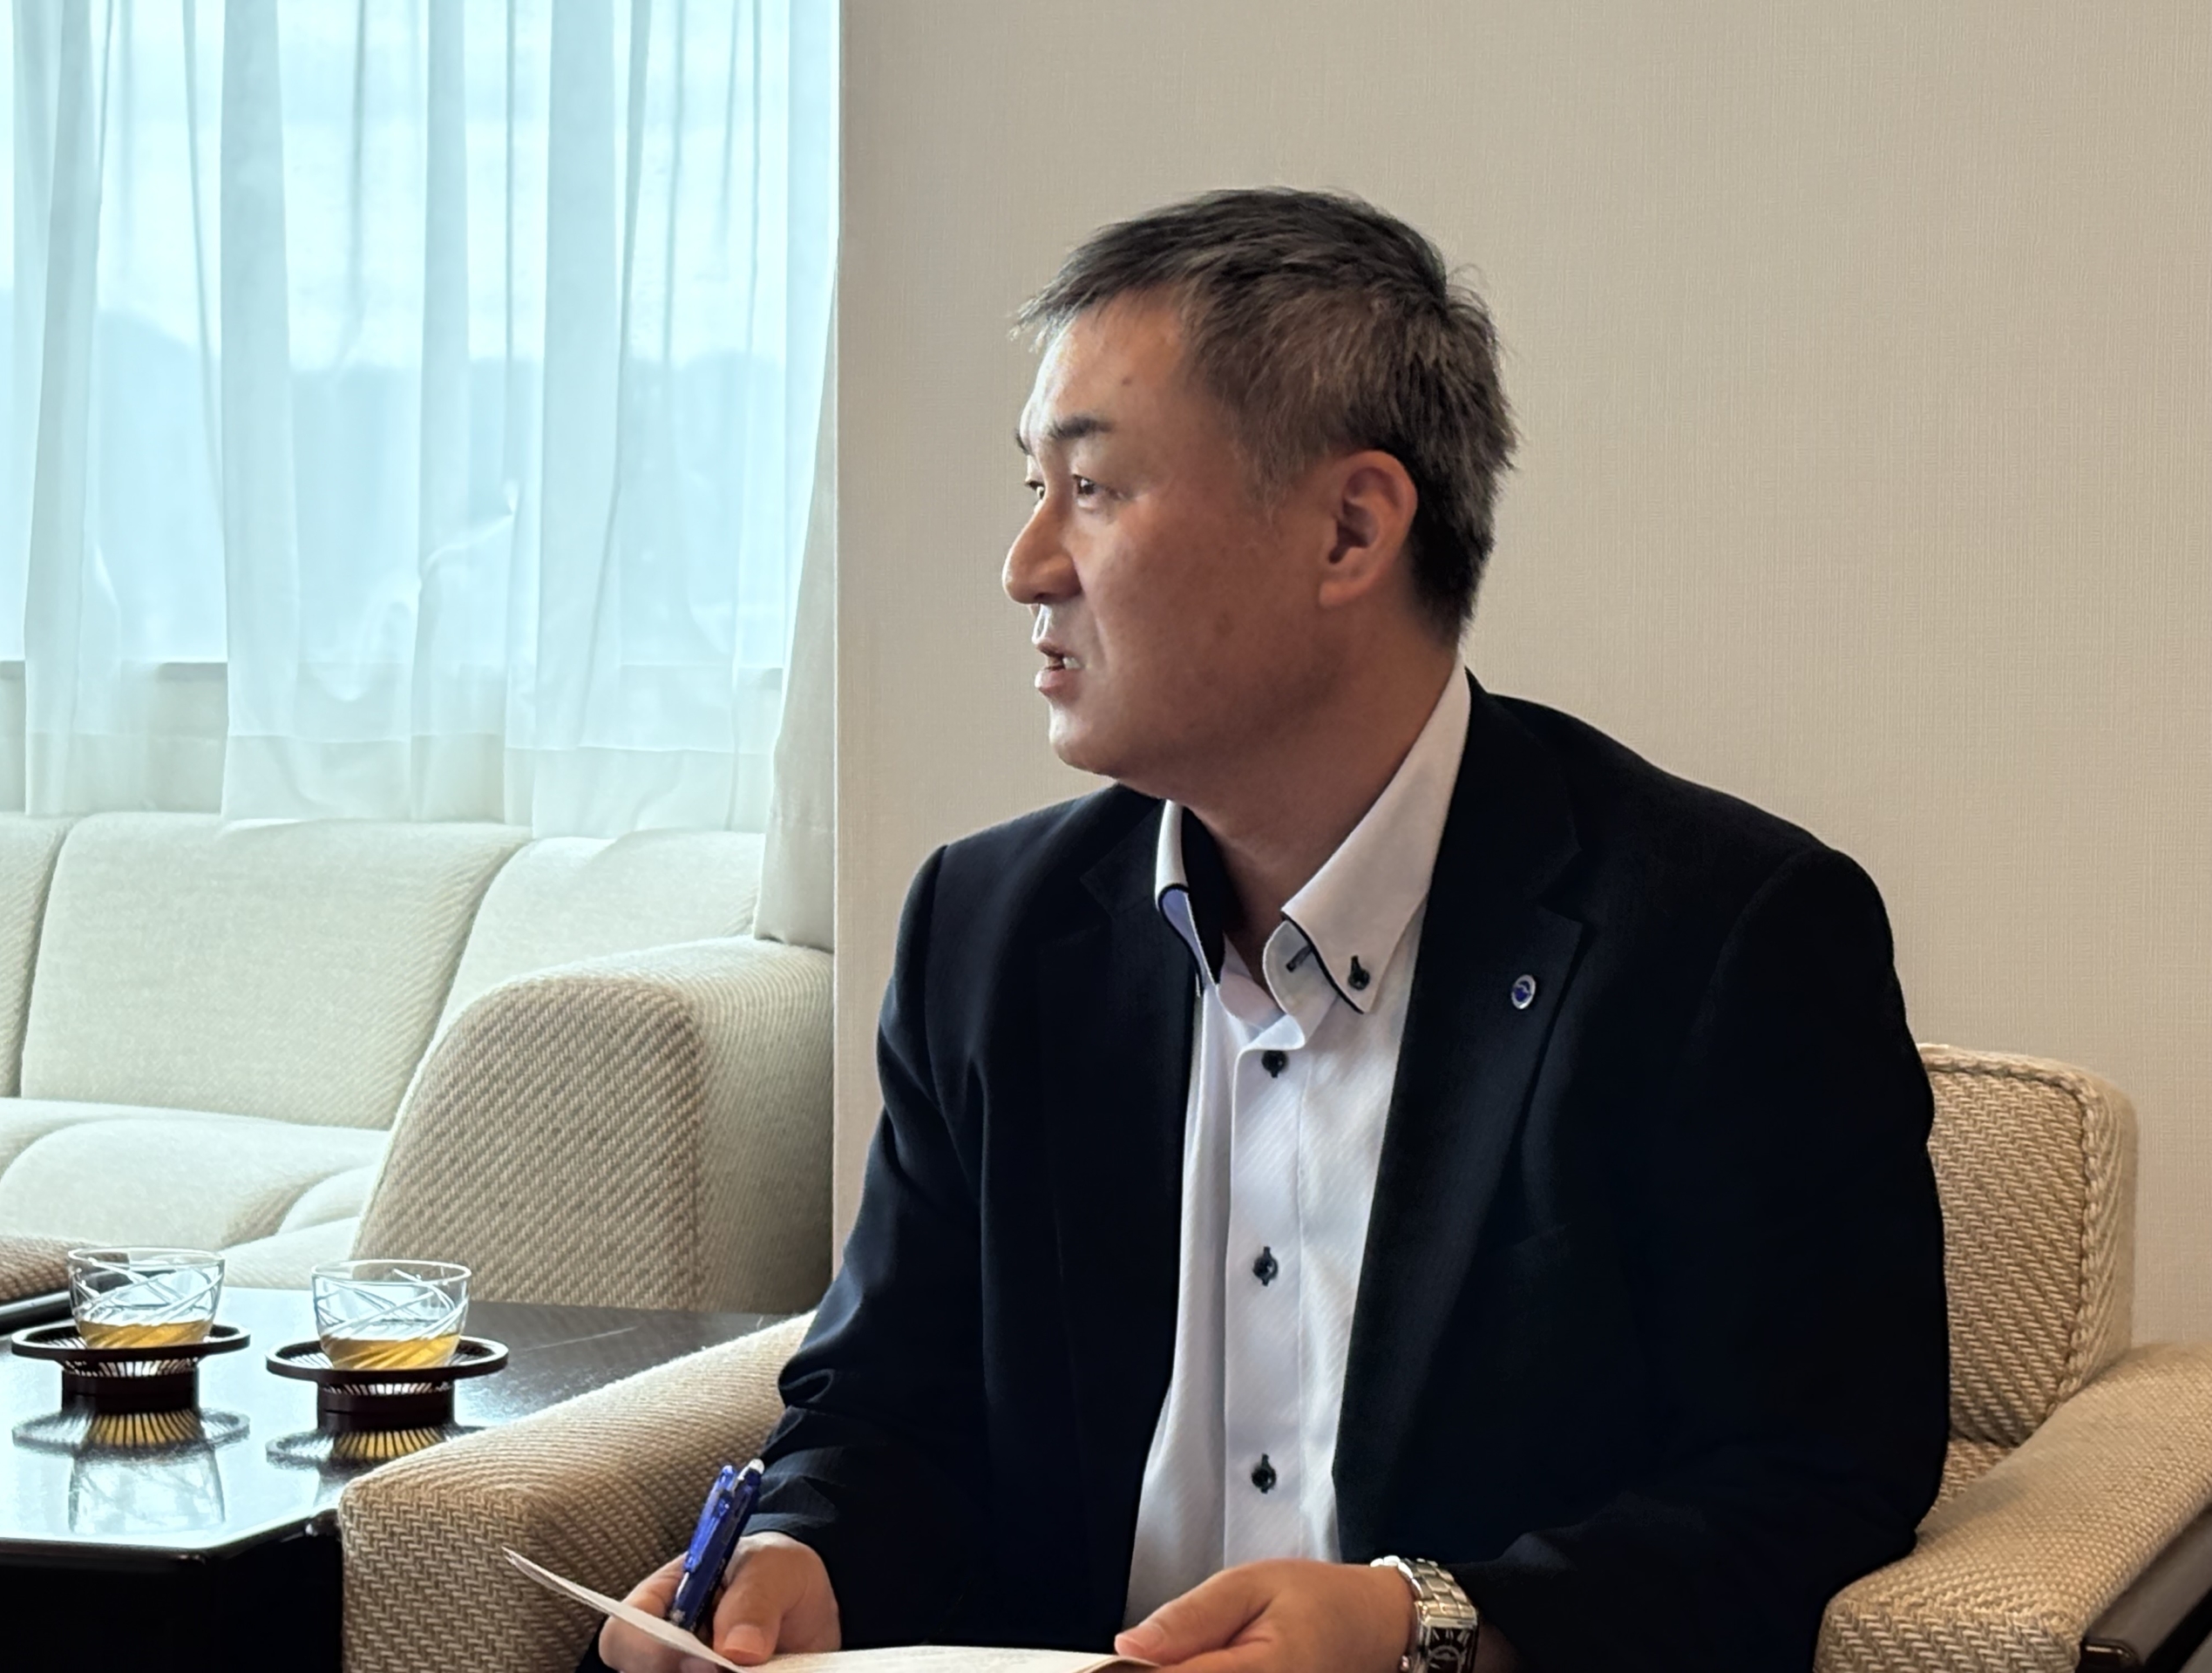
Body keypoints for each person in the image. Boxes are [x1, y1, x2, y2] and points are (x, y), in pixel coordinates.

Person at [594, 188, 1948, 1673]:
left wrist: (1430, 1625)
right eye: (1031, 486)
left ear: (1350, 529)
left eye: (1092, 488)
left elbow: (1818, 1474)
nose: (1026, 564)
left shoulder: (1720, 939)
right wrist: (803, 1553)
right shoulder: (987, 932)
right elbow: (882, 1405)